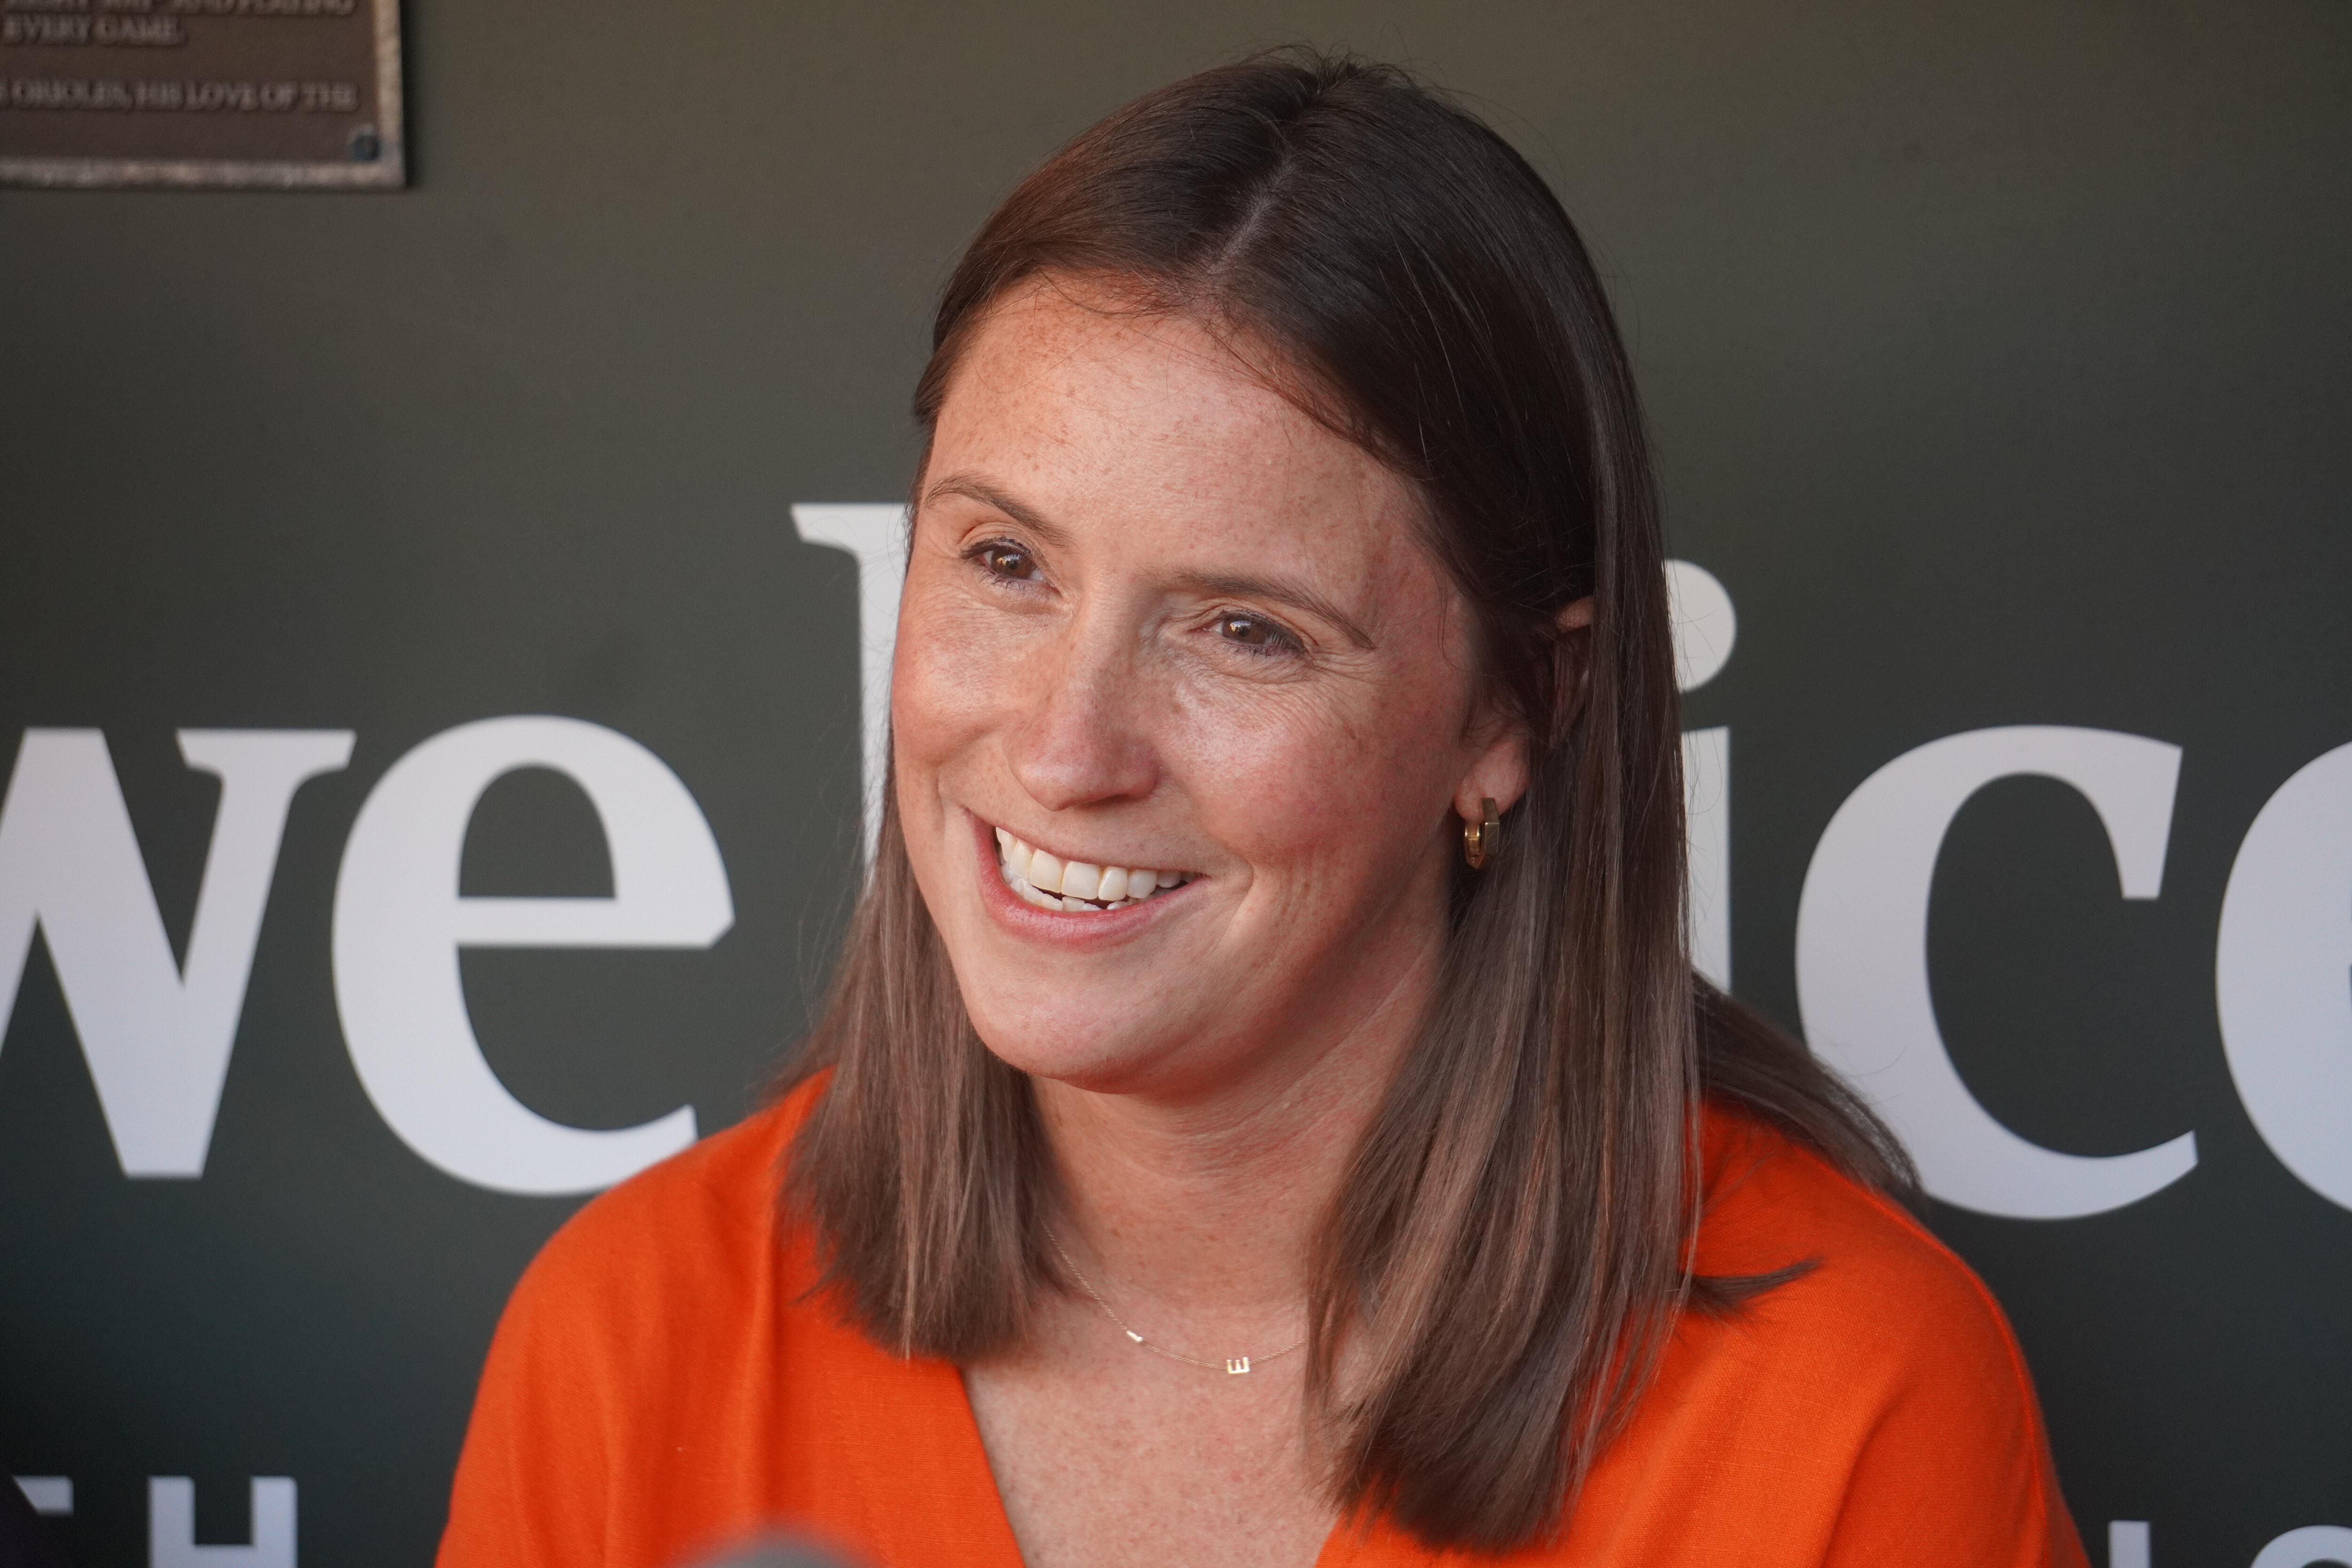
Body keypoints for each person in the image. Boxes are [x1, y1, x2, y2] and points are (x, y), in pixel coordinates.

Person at [437, 53, 2089, 1568]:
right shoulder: (632, 1340)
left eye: (1245, 631)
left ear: (1517, 707)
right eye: (1005, 561)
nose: (1068, 749)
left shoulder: (1850, 1403)